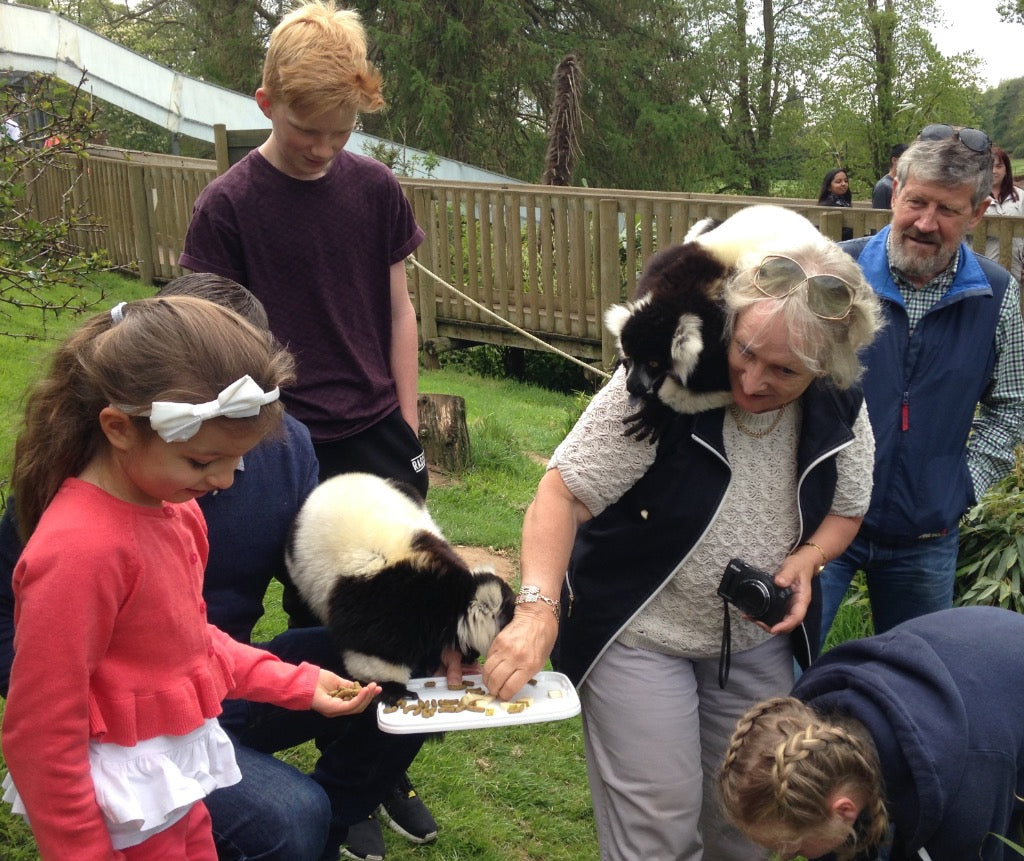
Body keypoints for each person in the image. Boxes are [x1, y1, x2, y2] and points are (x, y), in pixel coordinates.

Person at [480, 224, 883, 860]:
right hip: (640, 632)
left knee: (750, 820)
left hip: (753, 639)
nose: (753, 381)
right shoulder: (666, 376)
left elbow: (848, 511)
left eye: (785, 370)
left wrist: (810, 558)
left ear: (827, 366)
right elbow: (561, 495)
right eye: (745, 352)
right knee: (659, 828)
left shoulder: (842, 399)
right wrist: (537, 609)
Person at [0, 273, 432, 860]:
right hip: (127, 796)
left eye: (238, 460)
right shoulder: (79, 550)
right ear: (119, 428)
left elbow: (190, 639)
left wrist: (299, 682)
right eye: (205, 460)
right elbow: (41, 734)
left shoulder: (176, 513)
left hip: (180, 763)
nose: (226, 481)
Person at [178, 4, 437, 855]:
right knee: (310, 616)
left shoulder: (374, 191)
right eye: (306, 128)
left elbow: (399, 309)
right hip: (273, 442)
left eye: (342, 129)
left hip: (373, 432)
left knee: (398, 617)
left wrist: (405, 424)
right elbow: (208, 341)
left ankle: (369, 776)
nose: (325, 146)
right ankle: (325, 783)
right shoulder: (227, 206)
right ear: (264, 102)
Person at [817, 124, 1024, 649]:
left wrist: (964, 486)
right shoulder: (834, 274)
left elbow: (1012, 405)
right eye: (916, 202)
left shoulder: (997, 296)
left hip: (926, 538)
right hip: (819, 526)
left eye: (948, 211)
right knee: (781, 672)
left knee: (914, 683)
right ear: (895, 185)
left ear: (977, 214)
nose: (926, 223)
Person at [720, 605, 1024, 861]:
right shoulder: (812, 736)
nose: (787, 857)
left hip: (1001, 689)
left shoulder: (964, 798)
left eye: (793, 848)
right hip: (972, 655)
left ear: (844, 809)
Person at [984, 144, 1024, 282]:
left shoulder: (1021, 197)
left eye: (999, 166)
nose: (994, 171)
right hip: (983, 270)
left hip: (1015, 271)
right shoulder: (974, 198)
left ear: (1006, 169)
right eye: (989, 167)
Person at [871, 143, 908, 209]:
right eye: (906, 160)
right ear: (894, 160)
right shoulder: (883, 187)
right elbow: (877, 216)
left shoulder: (906, 184)